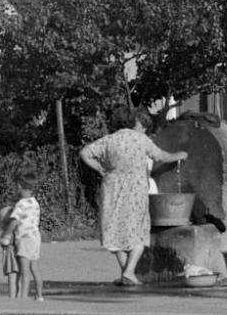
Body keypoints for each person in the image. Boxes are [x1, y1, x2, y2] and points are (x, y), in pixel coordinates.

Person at [79, 106, 188, 286]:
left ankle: (126, 273)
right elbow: (161, 156)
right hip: (135, 190)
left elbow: (84, 153)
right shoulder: (141, 139)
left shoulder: (108, 140)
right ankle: (129, 272)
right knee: (138, 230)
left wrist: (99, 168)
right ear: (131, 122)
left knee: (113, 230)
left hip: (112, 189)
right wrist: (179, 155)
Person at [0, 170, 44, 300]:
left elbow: (15, 221)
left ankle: (23, 297)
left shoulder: (21, 204)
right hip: (35, 237)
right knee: (34, 268)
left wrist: (6, 235)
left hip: (25, 238)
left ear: (20, 186)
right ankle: (39, 295)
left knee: (24, 270)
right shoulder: (35, 202)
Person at [0, 205, 19, 298]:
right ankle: (18, 295)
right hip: (16, 255)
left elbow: (2, 242)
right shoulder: (14, 232)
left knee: (12, 277)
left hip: (10, 257)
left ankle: (12, 296)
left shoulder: (6, 233)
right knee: (17, 277)